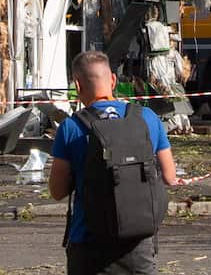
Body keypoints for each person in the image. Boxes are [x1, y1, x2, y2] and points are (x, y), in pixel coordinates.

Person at [50, 51, 180, 275]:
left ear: (77, 86)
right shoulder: (148, 118)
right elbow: (169, 176)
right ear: (113, 80)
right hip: (138, 243)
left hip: (88, 244)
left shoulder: (70, 128)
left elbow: (57, 191)